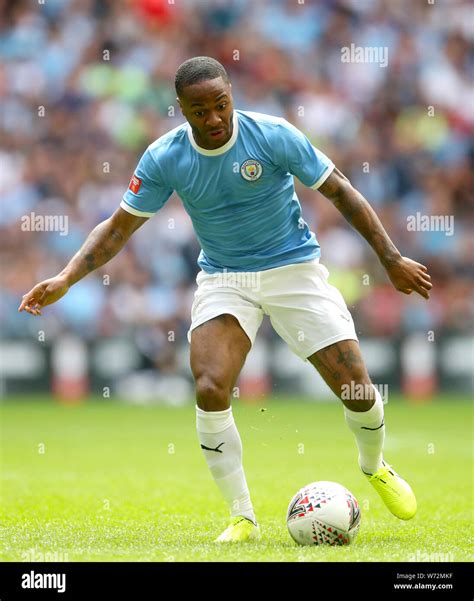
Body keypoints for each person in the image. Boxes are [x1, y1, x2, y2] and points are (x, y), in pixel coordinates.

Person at [19, 56, 432, 543]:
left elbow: (341, 192)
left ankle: (374, 466)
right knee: (210, 385)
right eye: (200, 110)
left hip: (293, 270)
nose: (213, 118)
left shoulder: (273, 135)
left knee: (358, 389)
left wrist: (390, 258)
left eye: (221, 105)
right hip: (224, 278)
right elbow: (118, 227)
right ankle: (242, 516)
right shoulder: (164, 157)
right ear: (181, 110)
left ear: (231, 95)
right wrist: (67, 277)